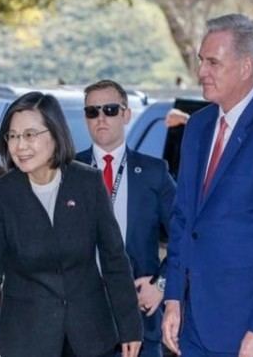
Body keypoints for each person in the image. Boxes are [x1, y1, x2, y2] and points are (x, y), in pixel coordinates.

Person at [161, 13, 253, 357]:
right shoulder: (198, 127)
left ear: (246, 66)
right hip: (193, 322)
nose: (202, 72)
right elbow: (184, 220)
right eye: (201, 60)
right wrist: (172, 298)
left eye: (213, 62)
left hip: (248, 331)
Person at [0, 91, 142, 357]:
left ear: (55, 134)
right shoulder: (1, 195)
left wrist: (130, 326)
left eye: (30, 135)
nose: (20, 146)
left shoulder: (88, 183)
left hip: (90, 336)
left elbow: (114, 259)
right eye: (13, 136)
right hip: (27, 338)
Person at [76, 79, 176, 357]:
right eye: (92, 112)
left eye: (109, 109)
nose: (101, 118)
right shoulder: (66, 172)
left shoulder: (155, 173)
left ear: (126, 114)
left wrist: (161, 285)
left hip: (140, 317)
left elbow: (187, 235)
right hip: (81, 323)